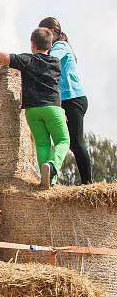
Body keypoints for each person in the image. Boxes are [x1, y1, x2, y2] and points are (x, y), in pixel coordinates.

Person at [0, 28, 69, 188]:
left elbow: (4, 57)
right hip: (52, 108)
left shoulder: (26, 60)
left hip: (33, 111)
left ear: (32, 44)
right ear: (50, 46)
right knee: (63, 141)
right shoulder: (56, 63)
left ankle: (48, 181)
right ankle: (52, 166)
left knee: (42, 144)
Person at [38, 17, 92, 184]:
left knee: (75, 141)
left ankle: (88, 183)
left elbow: (51, 61)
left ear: (54, 32)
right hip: (65, 101)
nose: (43, 37)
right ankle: (52, 175)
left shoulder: (60, 46)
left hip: (74, 99)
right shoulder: (56, 47)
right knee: (68, 143)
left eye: (45, 33)